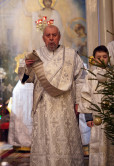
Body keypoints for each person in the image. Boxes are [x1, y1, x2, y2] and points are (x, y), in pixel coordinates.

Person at [18, 25, 85, 165]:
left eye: (54, 35)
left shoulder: (71, 55)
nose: (51, 38)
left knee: (65, 137)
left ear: (59, 37)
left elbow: (80, 79)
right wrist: (27, 67)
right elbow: (25, 79)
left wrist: (78, 102)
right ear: (43, 38)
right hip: (44, 106)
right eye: (48, 35)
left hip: (65, 105)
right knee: (45, 137)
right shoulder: (35, 56)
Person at [79, 45, 114, 166]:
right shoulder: (90, 76)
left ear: (108, 58)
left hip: (112, 118)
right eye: (98, 57)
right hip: (97, 118)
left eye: (104, 57)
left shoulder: (112, 75)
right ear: (93, 59)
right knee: (97, 144)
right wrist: (88, 117)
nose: (102, 59)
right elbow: (85, 96)